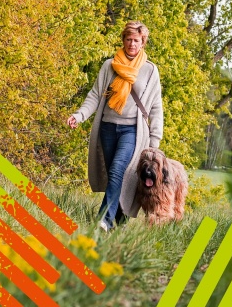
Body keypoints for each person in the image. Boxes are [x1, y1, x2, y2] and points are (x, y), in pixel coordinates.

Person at [67, 21, 163, 231]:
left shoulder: (149, 70)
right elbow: (95, 95)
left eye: (136, 40)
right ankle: (118, 219)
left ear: (142, 42)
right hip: (108, 128)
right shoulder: (109, 65)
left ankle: (104, 220)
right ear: (123, 40)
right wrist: (79, 115)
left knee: (120, 170)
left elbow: (156, 107)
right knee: (114, 175)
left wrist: (155, 140)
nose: (131, 44)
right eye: (128, 39)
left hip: (133, 131)